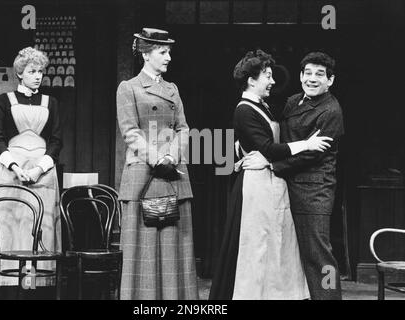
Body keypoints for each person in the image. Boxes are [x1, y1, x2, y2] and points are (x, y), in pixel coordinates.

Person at [209, 50, 333, 300]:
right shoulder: (245, 110)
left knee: (274, 245)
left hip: (270, 182)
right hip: (257, 186)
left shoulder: (260, 106)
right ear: (251, 80)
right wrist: (306, 145)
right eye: (267, 75)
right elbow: (267, 148)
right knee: (257, 246)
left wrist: (243, 147)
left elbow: (261, 143)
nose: (273, 81)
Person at [241, 52, 344, 300]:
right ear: (300, 76)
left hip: (313, 192)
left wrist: (270, 164)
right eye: (307, 73)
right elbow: (272, 133)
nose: (312, 79)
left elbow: (312, 156)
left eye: (320, 74)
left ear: (330, 80)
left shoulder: (331, 111)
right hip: (288, 187)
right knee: (291, 256)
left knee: (318, 256)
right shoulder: (293, 101)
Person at [116, 28, 198, 300]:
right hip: (144, 175)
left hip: (173, 174)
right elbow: (130, 131)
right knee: (144, 248)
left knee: (177, 247)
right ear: (146, 54)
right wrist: (157, 158)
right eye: (163, 52)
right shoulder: (129, 88)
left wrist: (172, 157)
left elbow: (183, 128)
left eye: (169, 52)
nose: (169, 58)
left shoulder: (172, 90)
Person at [0, 47, 63, 291]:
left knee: (40, 228)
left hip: (42, 172)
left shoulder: (52, 102)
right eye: (32, 71)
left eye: (41, 71)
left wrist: (40, 168)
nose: (38, 76)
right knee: (9, 227)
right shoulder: (4, 101)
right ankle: (8, 285)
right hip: (11, 171)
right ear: (20, 73)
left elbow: (57, 140)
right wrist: (15, 166)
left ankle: (37, 286)